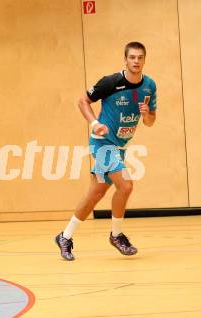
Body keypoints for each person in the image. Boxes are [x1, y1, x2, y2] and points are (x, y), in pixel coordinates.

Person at [55, 42, 157, 261]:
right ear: (125, 59)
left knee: (96, 194)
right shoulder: (111, 82)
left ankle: (65, 236)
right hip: (102, 143)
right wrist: (94, 124)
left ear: (144, 60)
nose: (136, 61)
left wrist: (147, 113)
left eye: (140, 57)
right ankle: (116, 235)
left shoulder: (149, 86)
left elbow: (150, 122)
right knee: (126, 185)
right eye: (132, 57)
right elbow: (83, 101)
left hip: (120, 147)